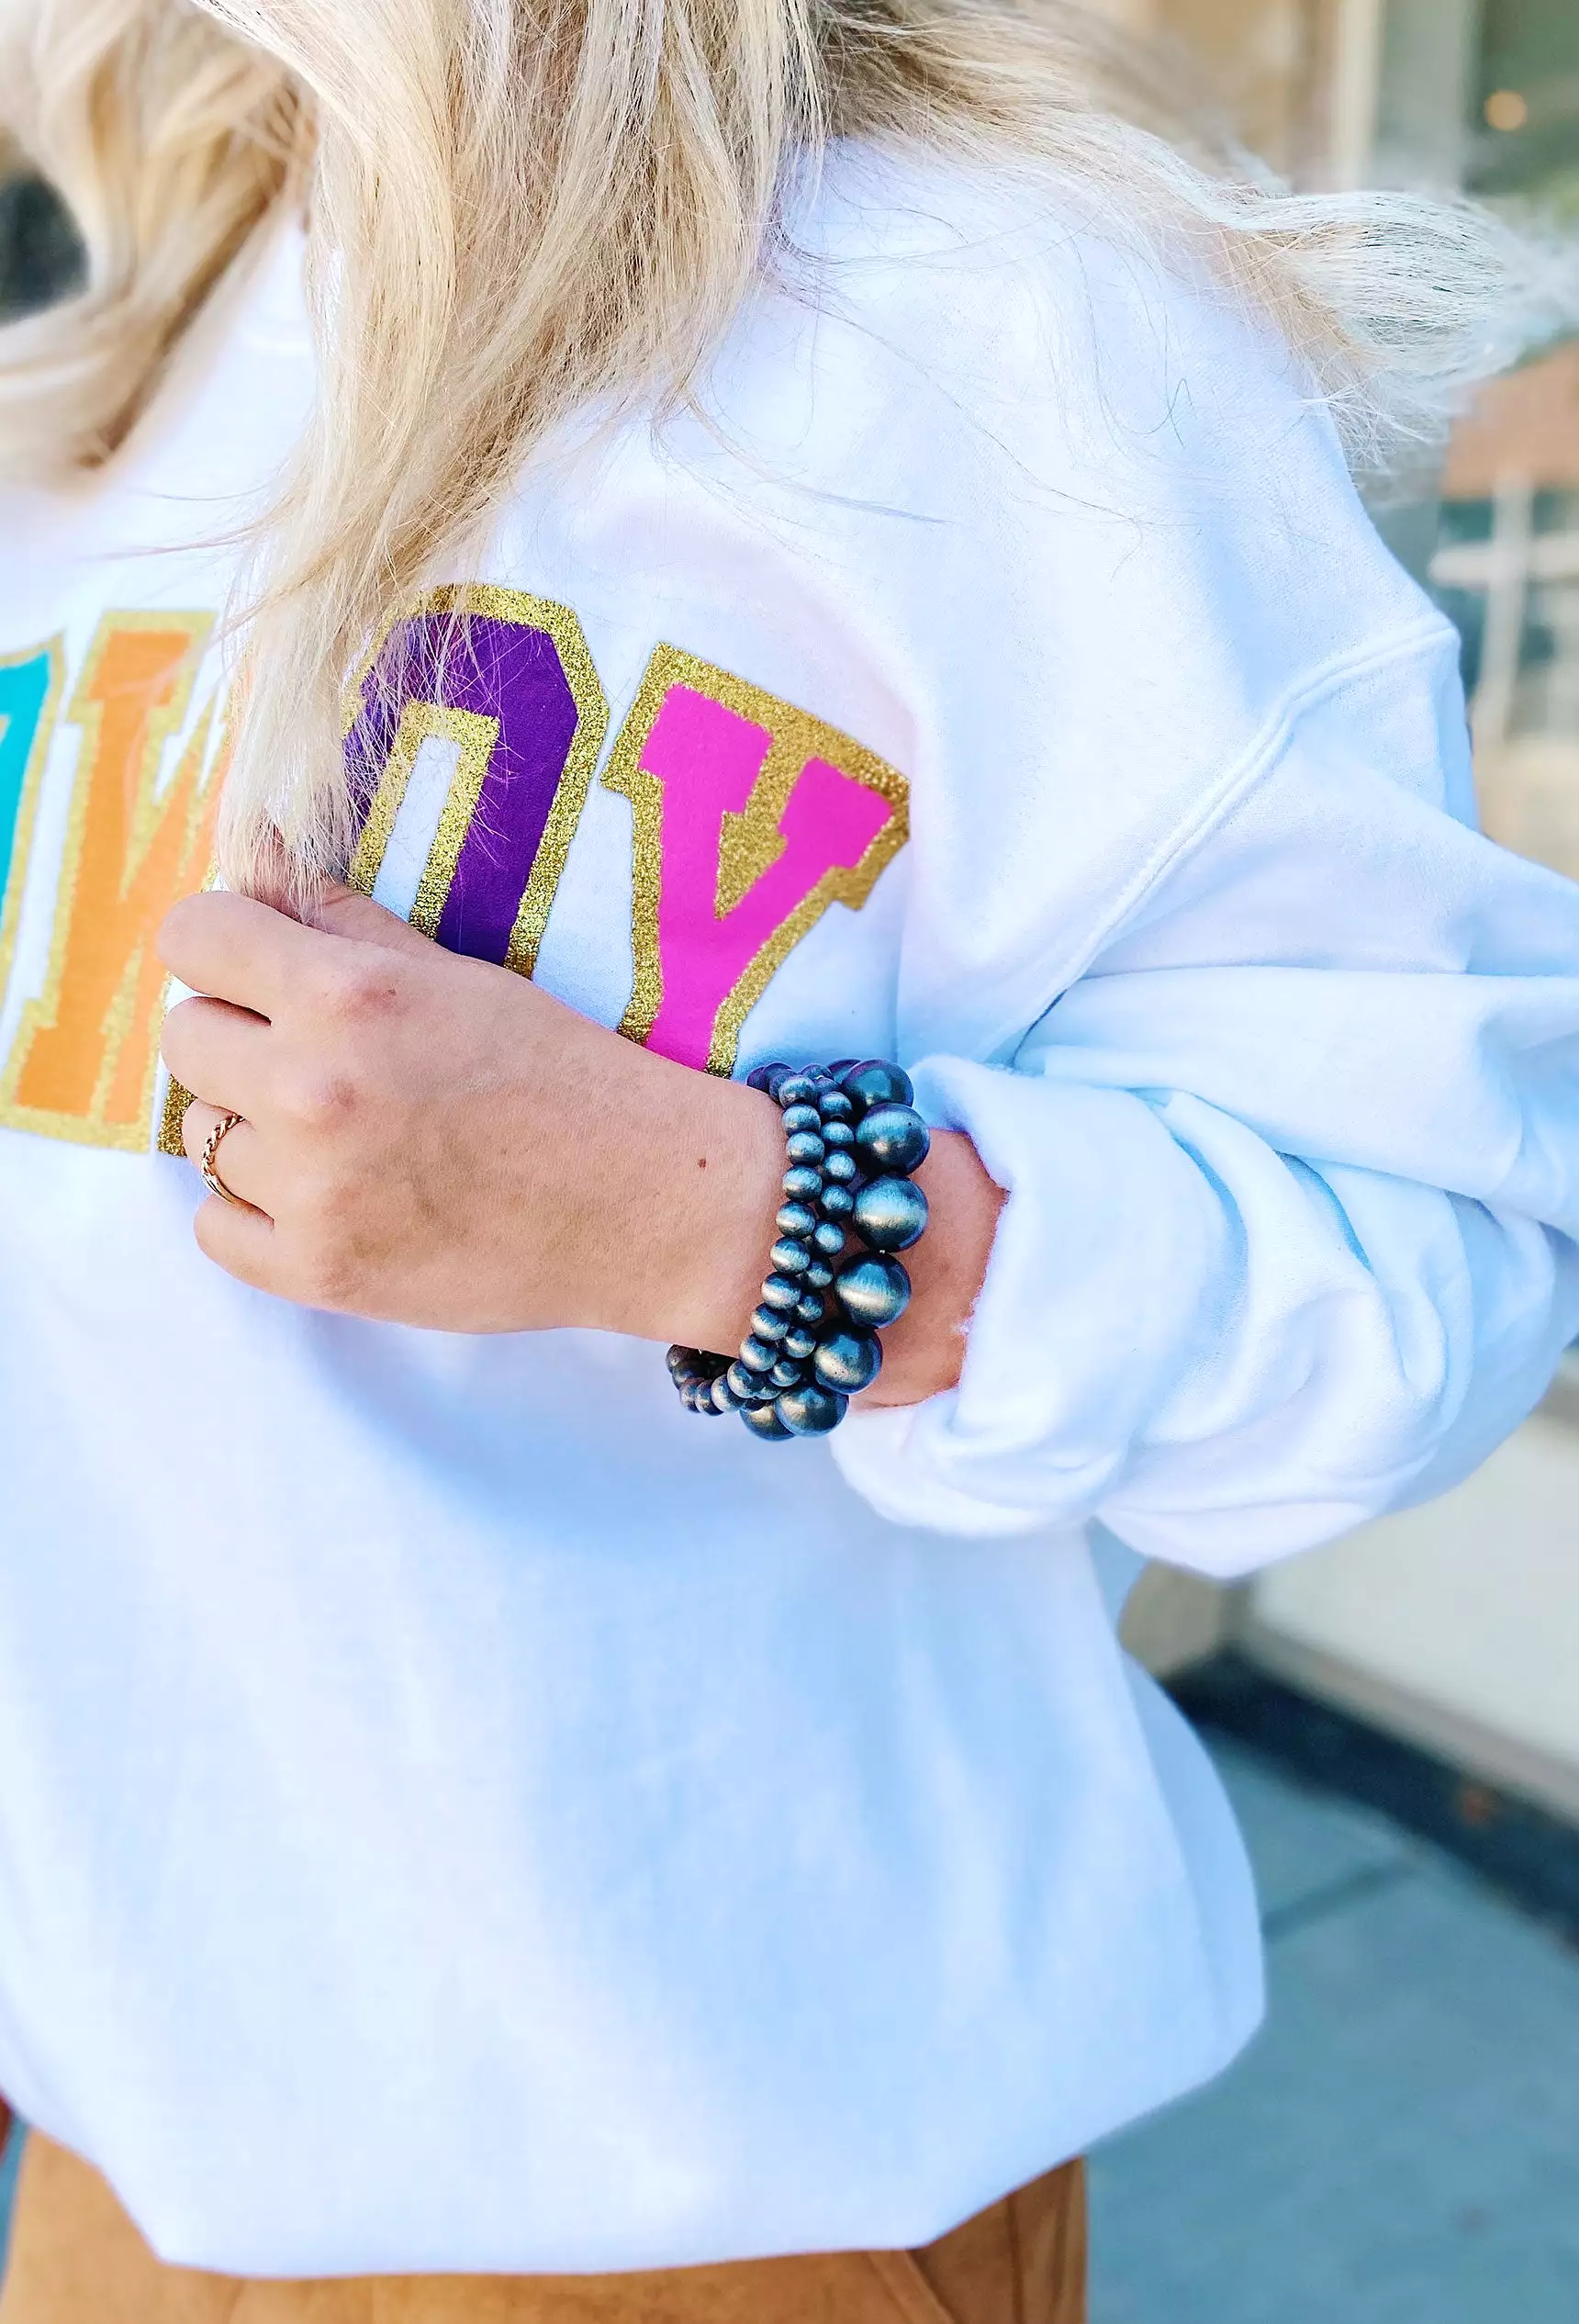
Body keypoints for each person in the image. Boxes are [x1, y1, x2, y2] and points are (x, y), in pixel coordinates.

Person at [1, 1, 1576, 2317]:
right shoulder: (140, 351)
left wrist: (716, 1217)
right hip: (139, 2157)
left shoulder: (1001, 328)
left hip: (700, 2214)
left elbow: (1425, 1277)